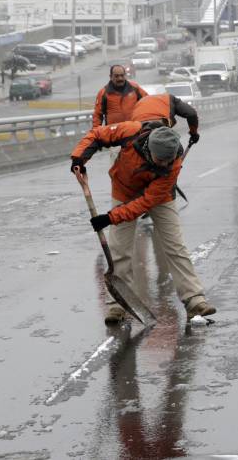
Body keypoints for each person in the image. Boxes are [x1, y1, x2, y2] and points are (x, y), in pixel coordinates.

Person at [70, 122, 216, 324]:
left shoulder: (173, 164)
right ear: (150, 150)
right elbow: (96, 135)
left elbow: (146, 202)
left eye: (169, 160)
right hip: (125, 190)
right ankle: (117, 306)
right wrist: (79, 157)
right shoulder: (129, 132)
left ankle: (194, 300)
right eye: (160, 160)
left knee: (175, 245)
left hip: (160, 196)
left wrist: (110, 217)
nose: (164, 164)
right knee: (119, 250)